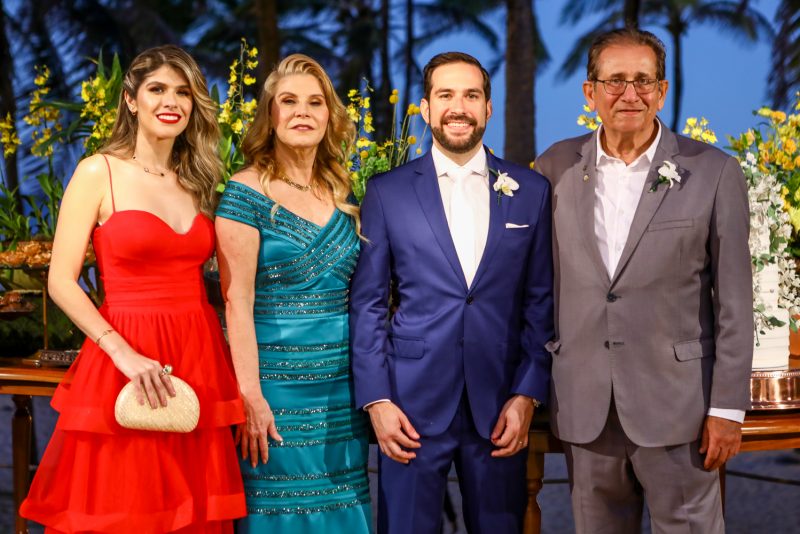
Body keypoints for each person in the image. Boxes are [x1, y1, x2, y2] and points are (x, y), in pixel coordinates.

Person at [20, 45, 246, 532]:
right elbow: (61, 280)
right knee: (125, 508)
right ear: (130, 99)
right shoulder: (97, 171)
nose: (172, 102)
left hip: (198, 353)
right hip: (126, 355)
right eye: (158, 89)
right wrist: (121, 353)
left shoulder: (199, 179)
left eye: (183, 92)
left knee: (192, 514)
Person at [535, 28, 753, 534]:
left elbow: (735, 304)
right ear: (590, 92)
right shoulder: (553, 168)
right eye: (614, 81)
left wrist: (727, 409)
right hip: (585, 407)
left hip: (680, 409)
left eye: (642, 80)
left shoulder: (714, 171)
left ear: (662, 90)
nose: (628, 94)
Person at [350, 51, 555, 533]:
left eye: (471, 95)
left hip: (500, 406)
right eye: (445, 95)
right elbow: (369, 305)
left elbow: (541, 302)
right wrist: (377, 399)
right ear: (425, 108)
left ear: (487, 108)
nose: (458, 107)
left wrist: (527, 394)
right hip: (409, 406)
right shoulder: (386, 192)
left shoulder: (531, 190)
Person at [214, 54, 371, 533]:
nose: (303, 111)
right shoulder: (245, 193)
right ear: (270, 115)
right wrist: (250, 395)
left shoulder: (343, 191)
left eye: (315, 102)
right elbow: (235, 302)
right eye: (289, 101)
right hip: (275, 390)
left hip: (340, 394)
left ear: (329, 116)